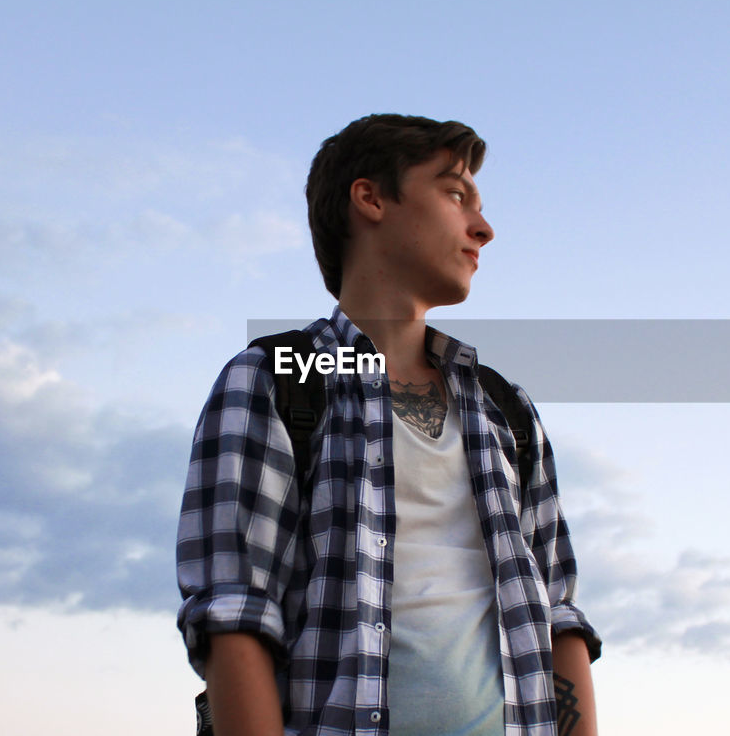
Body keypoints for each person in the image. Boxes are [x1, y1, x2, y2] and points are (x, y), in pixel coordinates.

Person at [176, 114, 601, 735]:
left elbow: (558, 617)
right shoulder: (279, 376)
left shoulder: (503, 405)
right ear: (370, 197)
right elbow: (235, 614)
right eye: (455, 194)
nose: (482, 228)